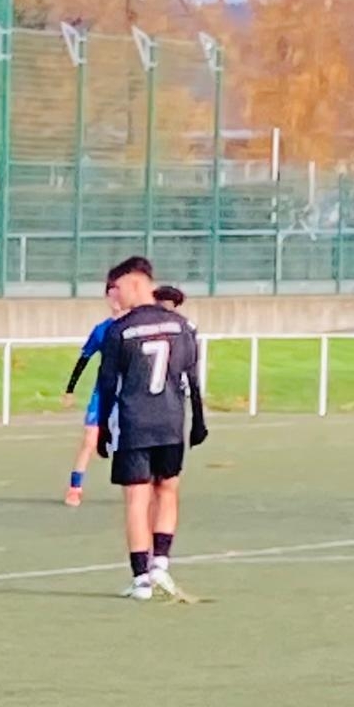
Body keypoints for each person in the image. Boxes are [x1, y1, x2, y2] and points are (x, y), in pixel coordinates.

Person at [94, 256, 208, 601]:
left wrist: (103, 428)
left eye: (116, 288)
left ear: (134, 283)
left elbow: (107, 384)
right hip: (171, 422)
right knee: (167, 490)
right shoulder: (182, 326)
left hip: (134, 424)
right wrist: (199, 420)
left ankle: (141, 579)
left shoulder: (120, 330)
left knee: (136, 498)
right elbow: (192, 378)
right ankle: (161, 563)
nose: (114, 296)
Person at [60, 286, 124, 507]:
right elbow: (84, 359)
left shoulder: (136, 327)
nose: (116, 299)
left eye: (119, 293)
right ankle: (75, 488)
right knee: (89, 439)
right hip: (104, 393)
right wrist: (70, 389)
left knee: (132, 442)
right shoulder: (101, 330)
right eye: (111, 294)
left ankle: (144, 486)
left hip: (130, 393)